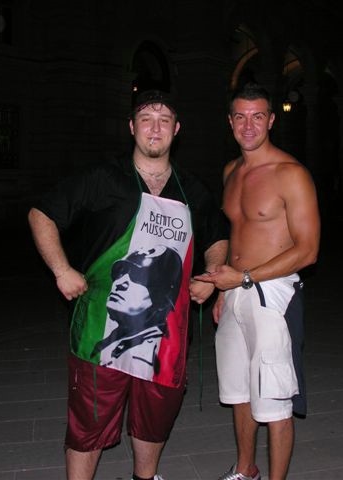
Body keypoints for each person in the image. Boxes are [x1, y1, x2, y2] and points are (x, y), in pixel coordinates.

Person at [28, 89, 228, 480]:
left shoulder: (192, 189)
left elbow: (216, 234)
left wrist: (212, 274)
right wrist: (61, 270)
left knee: (155, 421)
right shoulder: (103, 177)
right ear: (132, 127)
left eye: (164, 120)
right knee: (88, 425)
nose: (155, 128)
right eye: (146, 119)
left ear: (177, 129)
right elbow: (42, 214)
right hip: (98, 331)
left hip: (166, 339)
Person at [195, 82, 320, 480]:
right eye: (240, 117)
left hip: (272, 293)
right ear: (230, 122)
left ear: (271, 120)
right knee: (239, 391)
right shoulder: (230, 171)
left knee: (275, 400)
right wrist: (224, 288)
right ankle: (245, 470)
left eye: (257, 116)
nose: (248, 126)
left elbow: (308, 250)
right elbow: (235, 235)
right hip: (235, 291)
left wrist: (245, 277)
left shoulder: (291, 174)